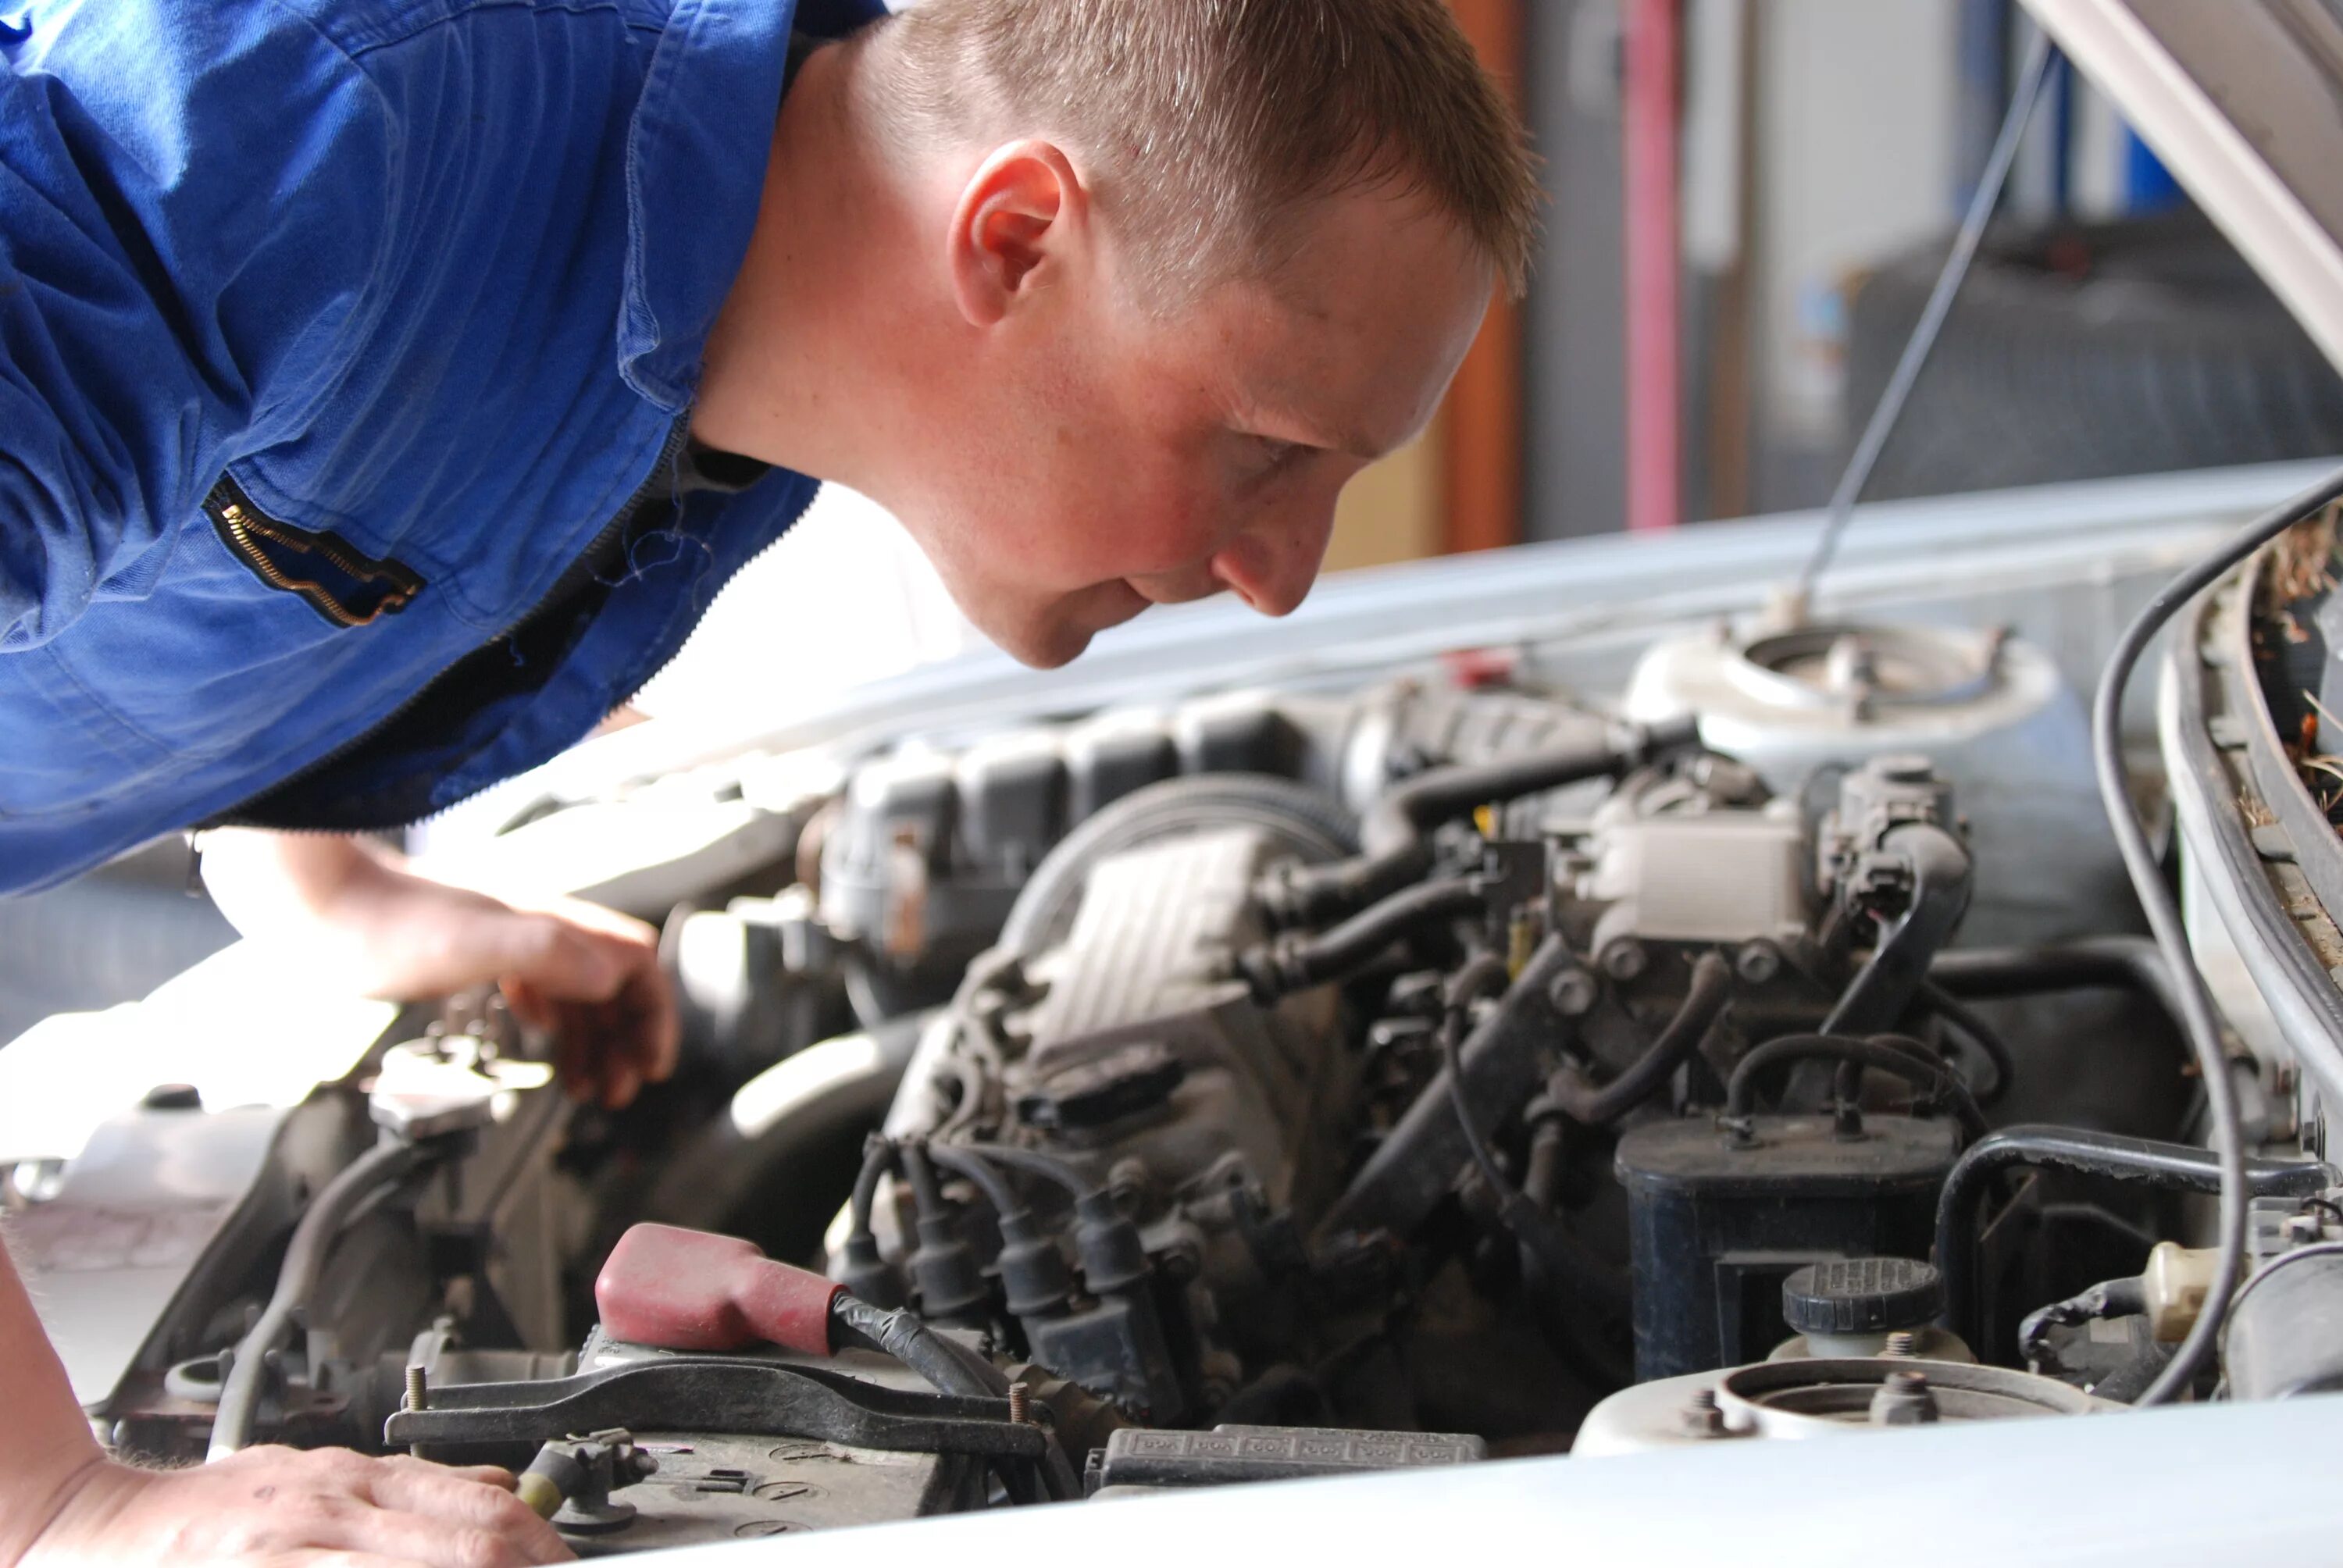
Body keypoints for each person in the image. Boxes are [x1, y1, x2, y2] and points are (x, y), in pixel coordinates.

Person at [0, 0, 1538, 1561]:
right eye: (1270, 442)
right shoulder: (349, 100)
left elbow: (307, 471)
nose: (1285, 575)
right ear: (1012, 239)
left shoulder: (750, 337)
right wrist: (54, 1497)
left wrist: (322, 880)